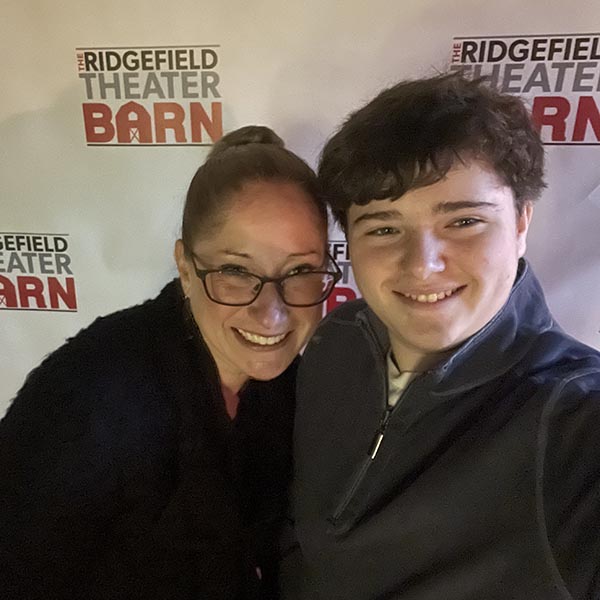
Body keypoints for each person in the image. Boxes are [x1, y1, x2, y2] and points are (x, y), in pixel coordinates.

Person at [282, 73, 600, 599]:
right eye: (384, 228)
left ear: (521, 223)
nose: (422, 264)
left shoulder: (573, 420)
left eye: (464, 222)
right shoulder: (335, 341)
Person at [0, 125, 341, 600]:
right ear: (184, 268)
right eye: (236, 271)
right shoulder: (89, 397)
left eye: (300, 271)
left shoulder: (292, 387)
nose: (273, 312)